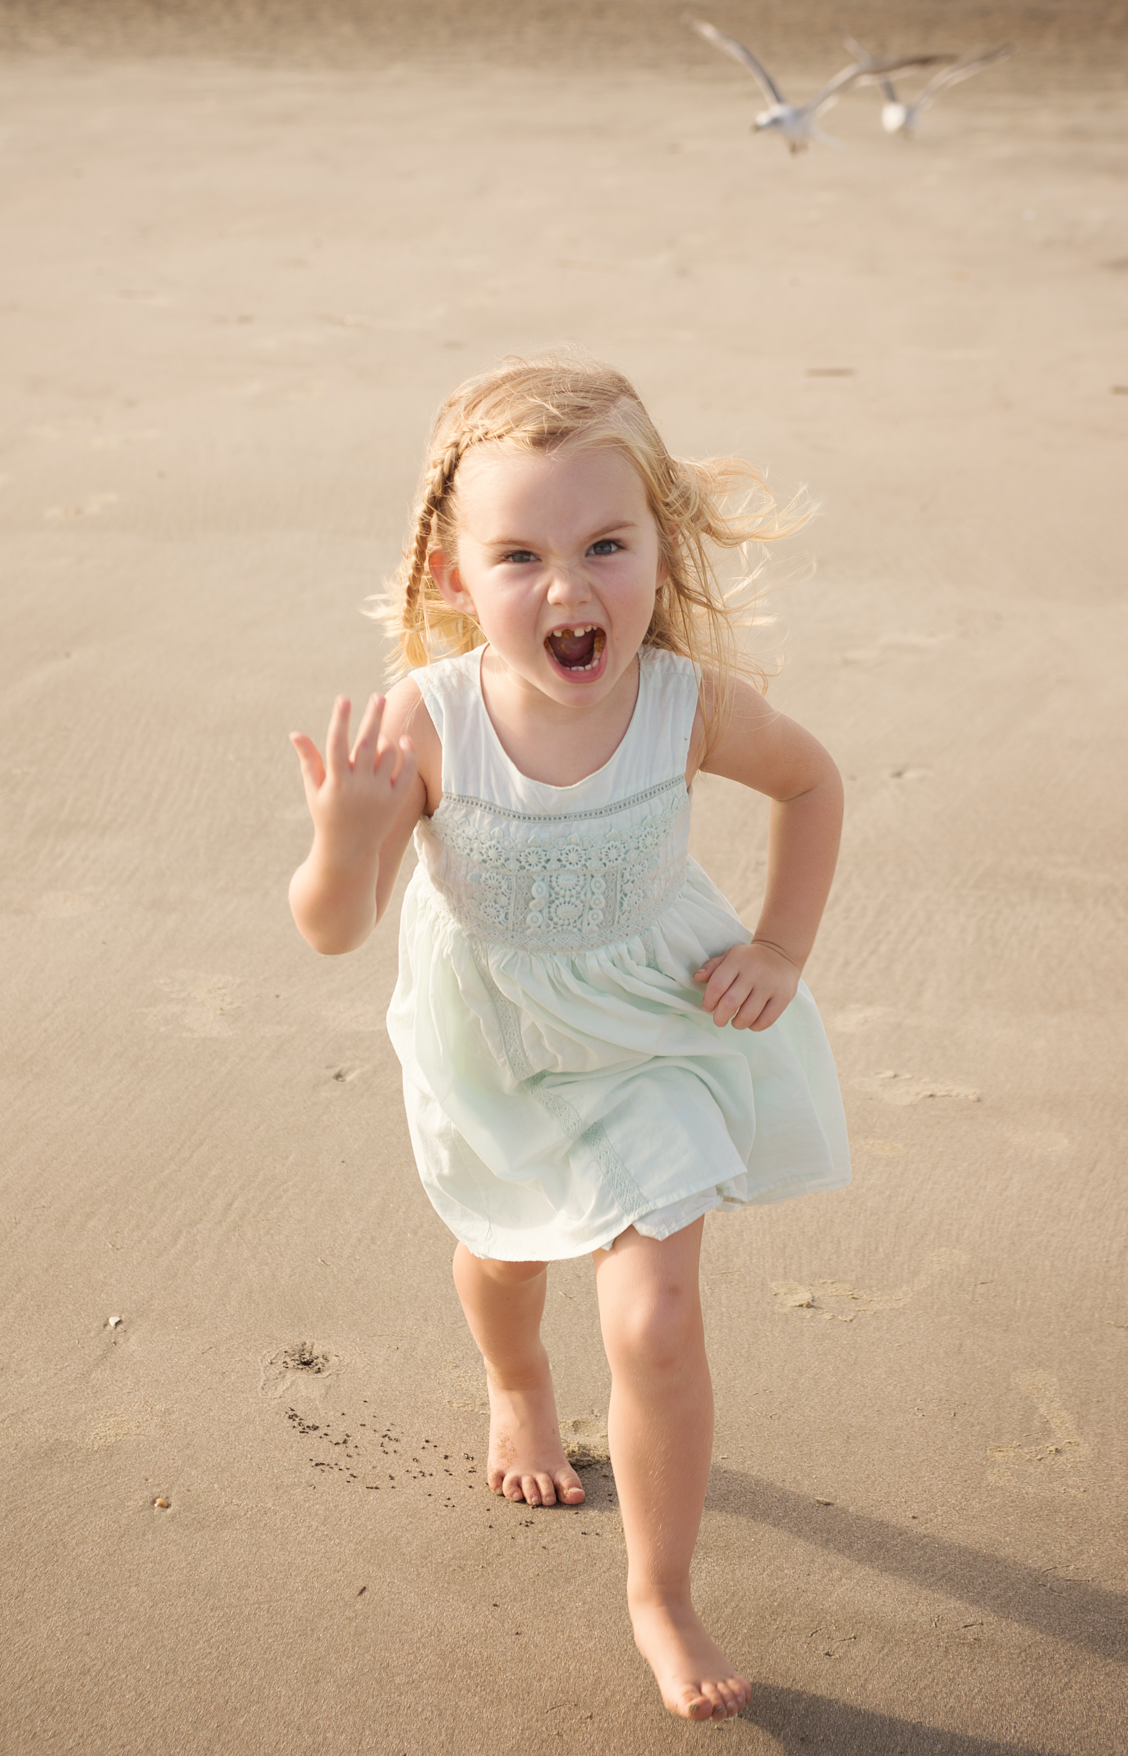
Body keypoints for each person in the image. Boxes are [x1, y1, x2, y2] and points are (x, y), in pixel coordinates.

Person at [288, 353, 849, 1724]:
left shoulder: (682, 704)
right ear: (449, 575)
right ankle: (516, 1376)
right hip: (495, 1043)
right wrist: (346, 838)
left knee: (654, 1316)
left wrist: (779, 946)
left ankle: (658, 1590)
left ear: (658, 542)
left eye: (605, 543)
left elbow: (812, 781)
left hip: (659, 1029)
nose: (567, 588)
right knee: (501, 1258)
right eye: (519, 554)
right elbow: (333, 928)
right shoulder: (429, 725)